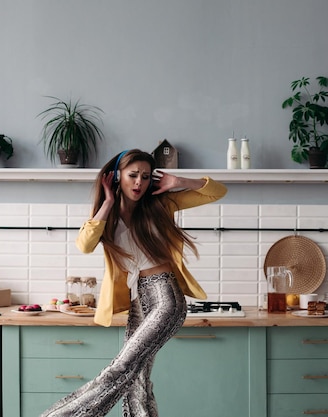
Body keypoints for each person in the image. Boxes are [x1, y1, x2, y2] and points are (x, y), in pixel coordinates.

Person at [40, 149, 227, 417]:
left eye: (145, 176)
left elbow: (218, 192)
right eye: (133, 175)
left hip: (166, 297)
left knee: (119, 370)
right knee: (135, 379)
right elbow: (84, 244)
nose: (139, 182)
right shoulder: (108, 216)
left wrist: (179, 182)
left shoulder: (161, 204)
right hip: (139, 298)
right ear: (117, 176)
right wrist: (107, 202)